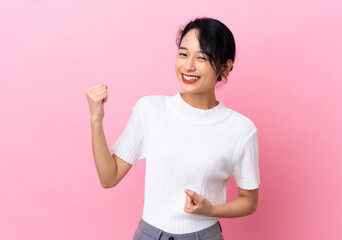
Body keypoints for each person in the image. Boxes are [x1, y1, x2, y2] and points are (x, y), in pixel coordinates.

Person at [85, 17, 260, 240]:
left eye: (202, 58)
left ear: (225, 68)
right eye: (183, 54)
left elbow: (249, 201)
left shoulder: (241, 129)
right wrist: (96, 120)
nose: (188, 66)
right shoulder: (149, 109)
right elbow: (109, 178)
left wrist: (211, 210)